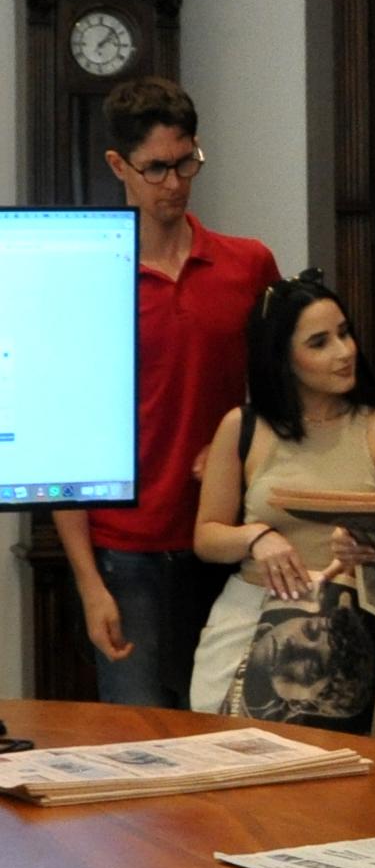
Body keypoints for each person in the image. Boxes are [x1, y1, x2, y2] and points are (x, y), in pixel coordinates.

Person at [54, 77, 281, 707]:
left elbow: (284, 397)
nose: (174, 184)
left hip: (224, 538)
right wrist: (89, 584)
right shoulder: (86, 279)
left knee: (227, 733)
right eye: (156, 169)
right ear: (118, 166)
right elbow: (65, 439)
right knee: (138, 745)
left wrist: (237, 448)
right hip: (124, 552)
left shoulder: (247, 265)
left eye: (187, 163)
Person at [188, 275, 375, 716]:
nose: (344, 351)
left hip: (344, 630)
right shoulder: (242, 427)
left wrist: (370, 550)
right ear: (282, 357)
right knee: (224, 759)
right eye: (319, 343)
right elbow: (206, 537)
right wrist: (257, 536)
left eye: (344, 332)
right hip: (248, 614)